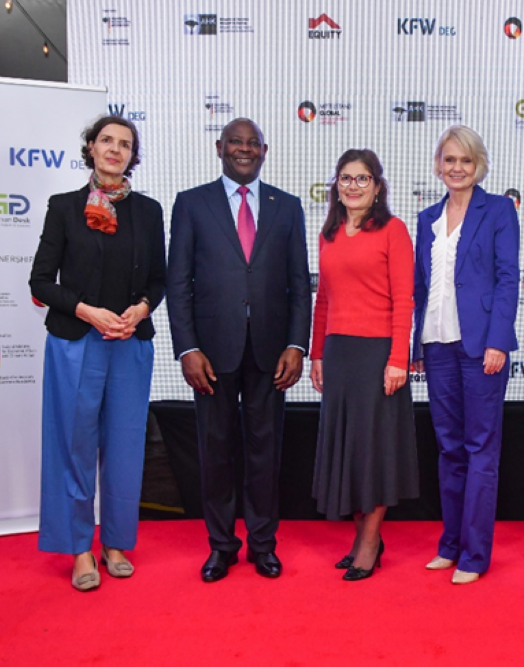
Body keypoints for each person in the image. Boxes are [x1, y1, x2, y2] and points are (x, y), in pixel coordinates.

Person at [167, 118, 311, 583]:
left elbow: (298, 284)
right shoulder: (191, 204)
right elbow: (178, 283)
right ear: (219, 147)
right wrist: (187, 347)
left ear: (264, 151)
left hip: (271, 352)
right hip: (210, 353)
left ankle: (263, 545)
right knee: (216, 451)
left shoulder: (286, 207)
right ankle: (222, 546)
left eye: (252, 144)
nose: (244, 150)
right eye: (235, 142)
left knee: (265, 452)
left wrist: (296, 343)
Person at [30, 115, 166, 592]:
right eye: (106, 140)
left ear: (133, 155)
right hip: (76, 341)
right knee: (74, 446)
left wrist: (139, 310)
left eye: (124, 144)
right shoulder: (64, 207)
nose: (114, 149)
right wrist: (89, 311)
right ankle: (79, 549)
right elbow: (41, 281)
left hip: (130, 343)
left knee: (126, 447)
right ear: (90, 148)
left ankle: (115, 544)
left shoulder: (148, 212)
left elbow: (158, 278)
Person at [411, 125, 520, 585]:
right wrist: (417, 343)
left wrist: (498, 340)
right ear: (438, 165)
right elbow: (421, 287)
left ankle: (475, 555)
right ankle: (450, 545)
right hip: (436, 347)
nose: (457, 168)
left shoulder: (497, 211)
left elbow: (508, 278)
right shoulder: (426, 219)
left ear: (479, 166)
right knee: (449, 449)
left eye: (466, 161)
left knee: (480, 450)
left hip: (480, 349)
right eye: (449, 160)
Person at [309, 149, 418, 581]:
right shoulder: (329, 233)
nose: (353, 186)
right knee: (348, 452)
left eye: (362, 179)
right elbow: (324, 301)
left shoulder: (394, 230)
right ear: (337, 184)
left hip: (378, 357)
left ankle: (370, 542)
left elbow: (404, 301)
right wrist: (317, 352)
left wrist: (398, 361)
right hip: (339, 356)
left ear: (377, 186)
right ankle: (360, 539)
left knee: (373, 452)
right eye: (346, 178)